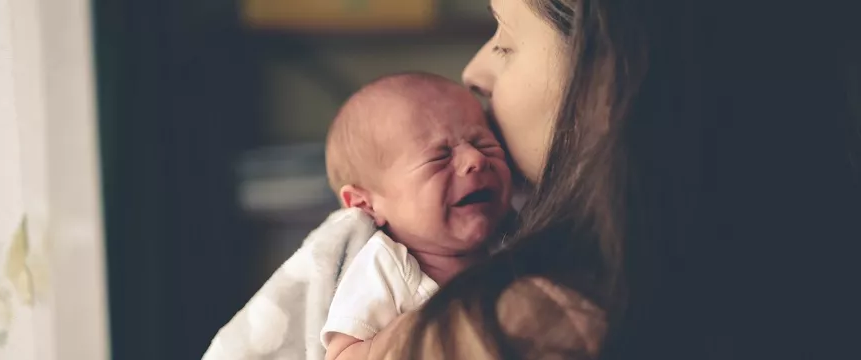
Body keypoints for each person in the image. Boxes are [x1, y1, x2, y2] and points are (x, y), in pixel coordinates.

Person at [351, 0, 860, 359]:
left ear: (607, 78)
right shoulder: (818, 264)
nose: (472, 72)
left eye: (505, 41)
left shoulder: (512, 329)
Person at [319, 72, 514, 360]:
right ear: (365, 204)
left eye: (484, 143)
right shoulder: (384, 267)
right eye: (439, 157)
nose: (476, 159)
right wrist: (422, 328)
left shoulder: (516, 237)